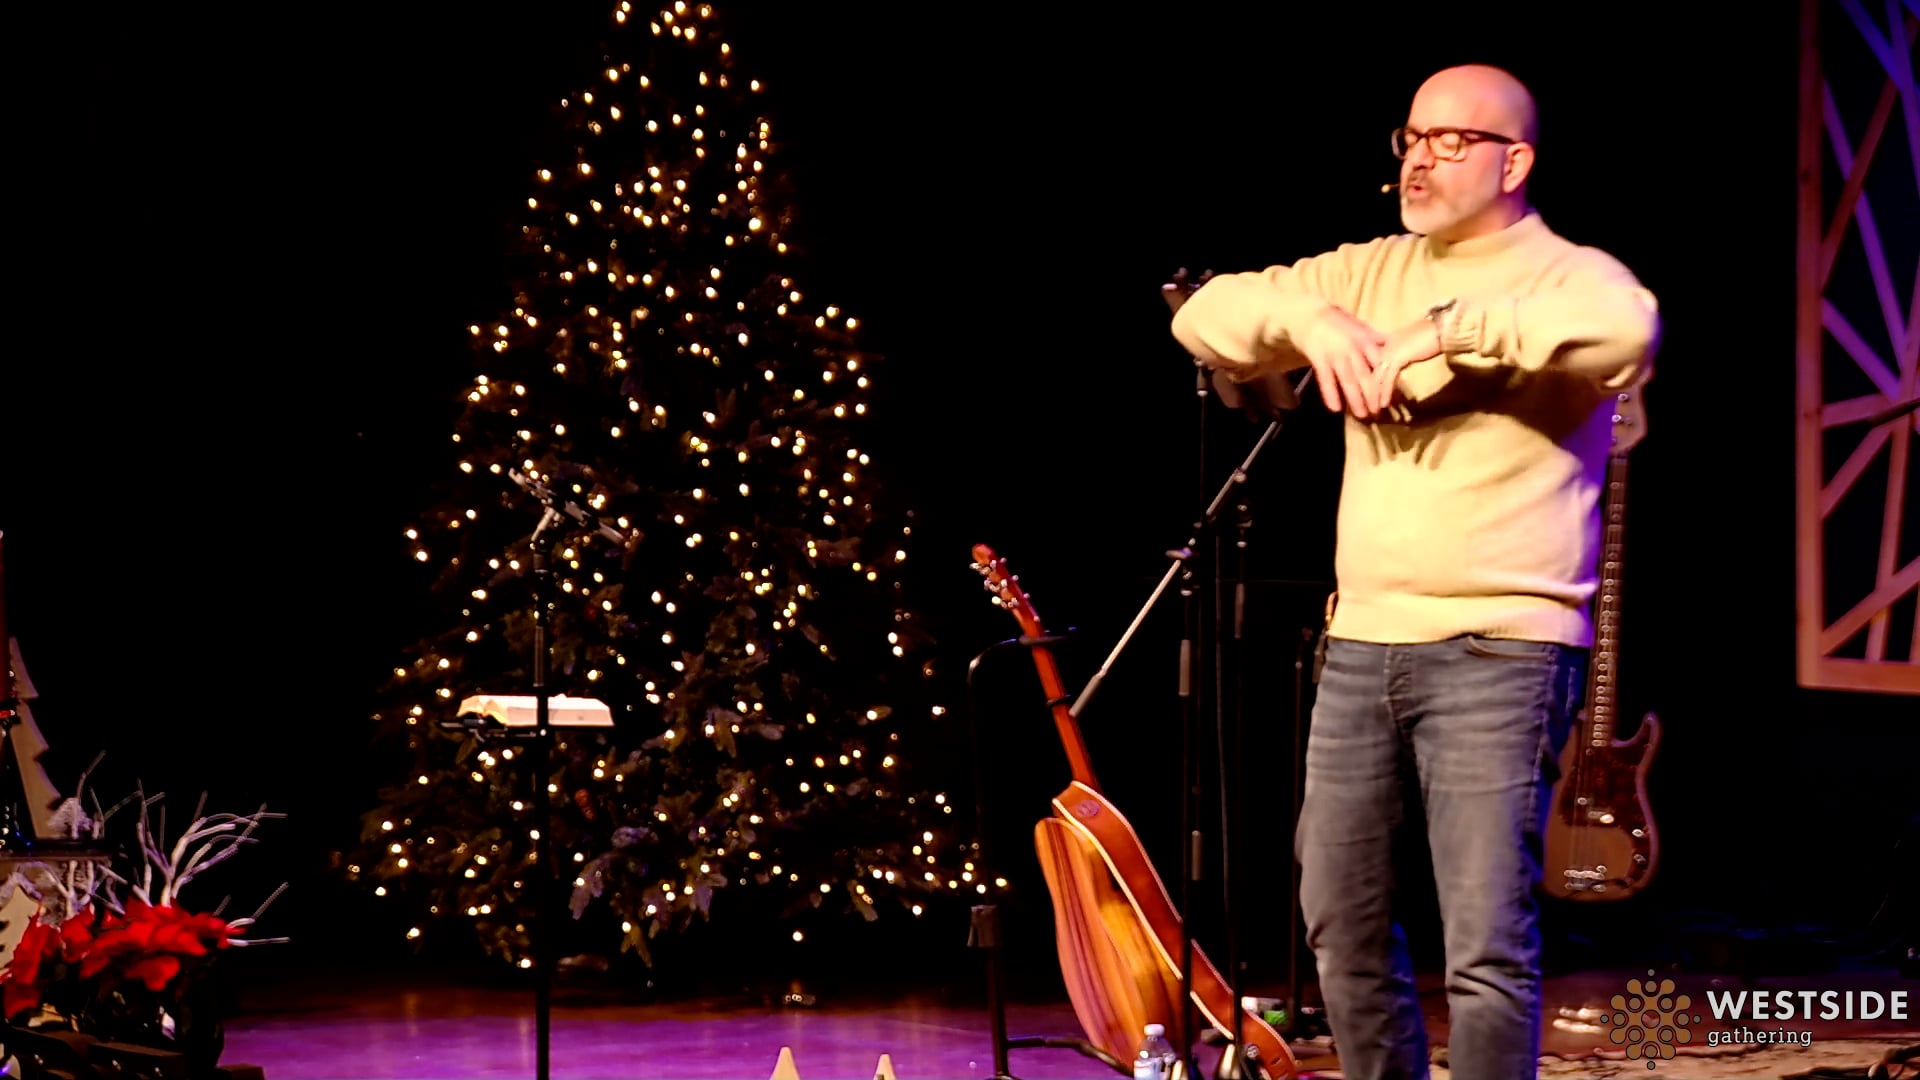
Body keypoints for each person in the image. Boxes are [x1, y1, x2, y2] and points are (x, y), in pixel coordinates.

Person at [1169, 64, 1661, 1080]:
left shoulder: (1567, 274)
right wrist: (1312, 323)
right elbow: (1203, 313)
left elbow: (1630, 330)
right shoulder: (1371, 269)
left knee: (1485, 944)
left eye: (1450, 141)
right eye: (1410, 139)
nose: (1419, 162)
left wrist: (1449, 329)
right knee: (1337, 919)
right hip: (1361, 645)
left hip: (1502, 653)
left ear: (1514, 163)